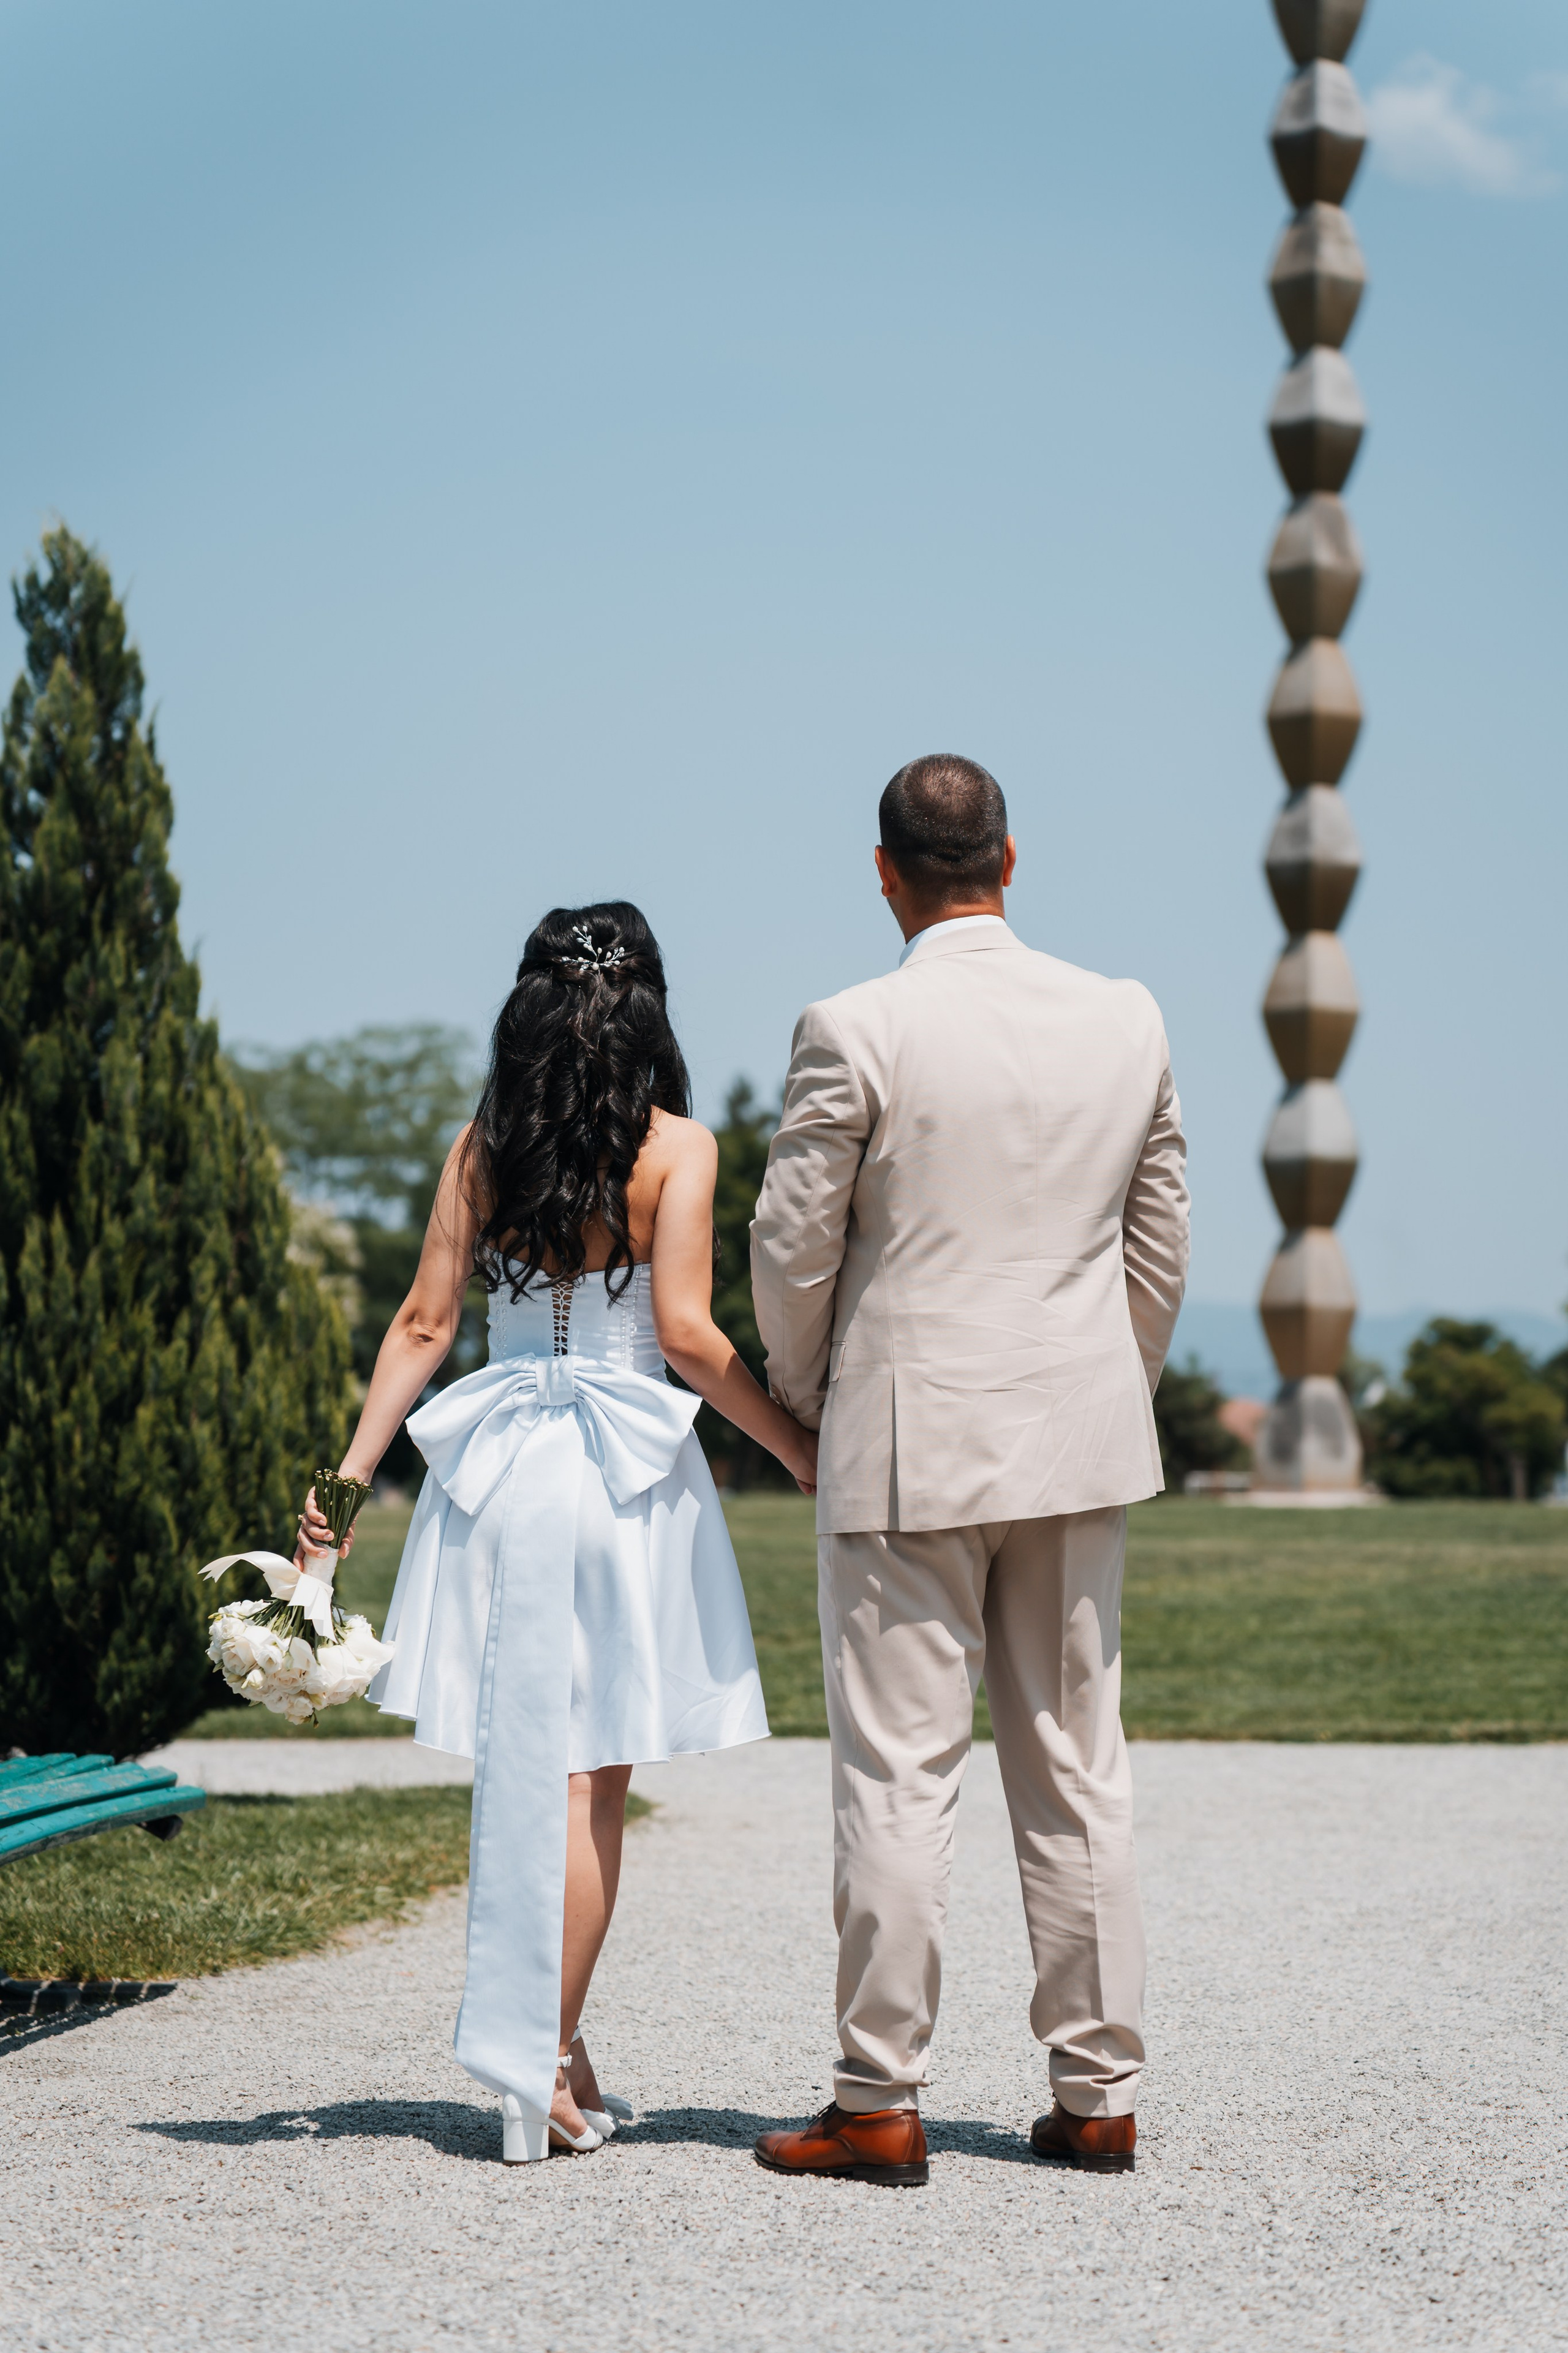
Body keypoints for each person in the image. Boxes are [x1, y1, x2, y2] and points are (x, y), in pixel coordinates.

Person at [296, 902, 817, 2164]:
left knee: (524, 1770)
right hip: (624, 1480)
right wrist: (798, 1446)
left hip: (501, 1474)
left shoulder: (484, 1146)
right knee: (590, 1783)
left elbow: (422, 1327)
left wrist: (346, 1489)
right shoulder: (677, 1148)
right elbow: (687, 1338)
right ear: (647, 1010)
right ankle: (538, 2055)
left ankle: (555, 2050)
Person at [749, 755, 1189, 2187]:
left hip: (904, 1439)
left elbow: (791, 1251)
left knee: (895, 1776)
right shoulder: (1125, 1017)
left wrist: (811, 1404)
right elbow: (1157, 1240)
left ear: (883, 870)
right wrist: (1100, 1386)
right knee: (1077, 1770)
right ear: (1012, 857)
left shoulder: (852, 1023)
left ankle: (877, 2100)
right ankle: (1099, 2092)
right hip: (1073, 1436)